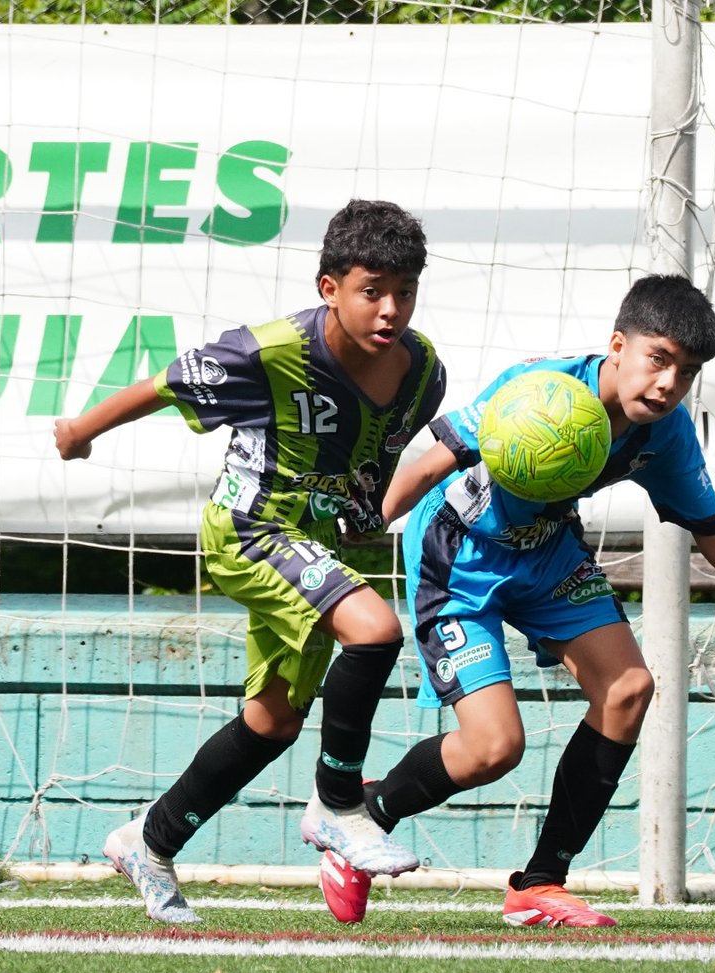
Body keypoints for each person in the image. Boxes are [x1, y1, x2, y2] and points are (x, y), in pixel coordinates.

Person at [310, 273, 715, 927]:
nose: (666, 384)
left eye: (685, 373)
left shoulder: (664, 434)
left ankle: (540, 883)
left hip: (549, 555)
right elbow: (435, 459)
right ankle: (361, 819)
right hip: (461, 556)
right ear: (618, 346)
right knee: (494, 749)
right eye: (658, 360)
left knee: (629, 689)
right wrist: (375, 518)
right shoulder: (541, 391)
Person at [54, 198, 446, 923]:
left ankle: (151, 839)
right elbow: (163, 385)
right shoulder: (271, 351)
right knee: (376, 630)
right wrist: (80, 430)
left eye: (405, 291)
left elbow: (377, 455)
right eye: (372, 290)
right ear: (329, 287)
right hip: (249, 529)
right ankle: (338, 805)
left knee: (272, 722)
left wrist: (363, 507)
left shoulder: (422, 373)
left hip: (311, 546)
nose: (390, 309)